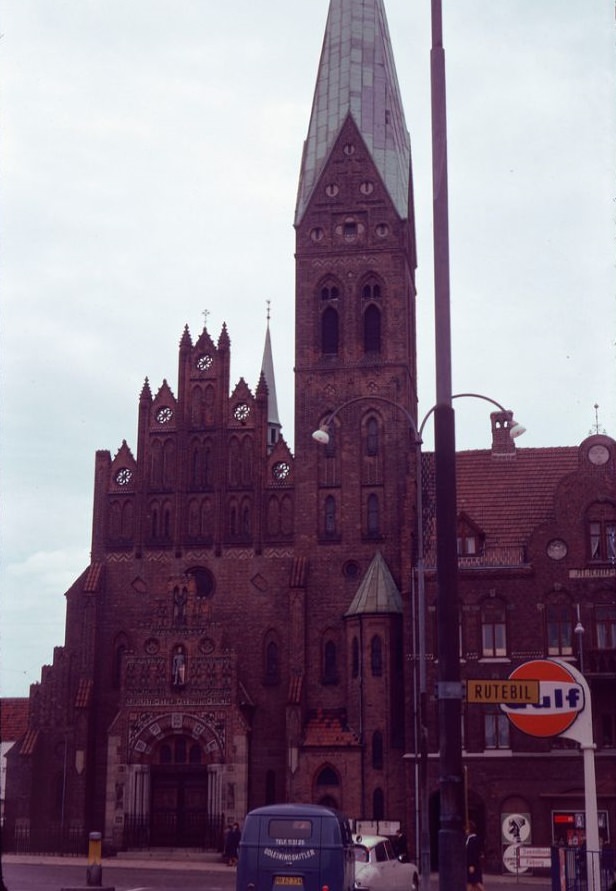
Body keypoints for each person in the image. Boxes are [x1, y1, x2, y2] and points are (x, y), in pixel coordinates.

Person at [466, 821, 484, 891]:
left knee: (475, 882)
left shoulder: (472, 840)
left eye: (467, 829)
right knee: (471, 883)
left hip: (473, 864)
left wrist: (471, 864)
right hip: (474, 864)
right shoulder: (474, 839)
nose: (466, 831)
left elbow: (472, 853)